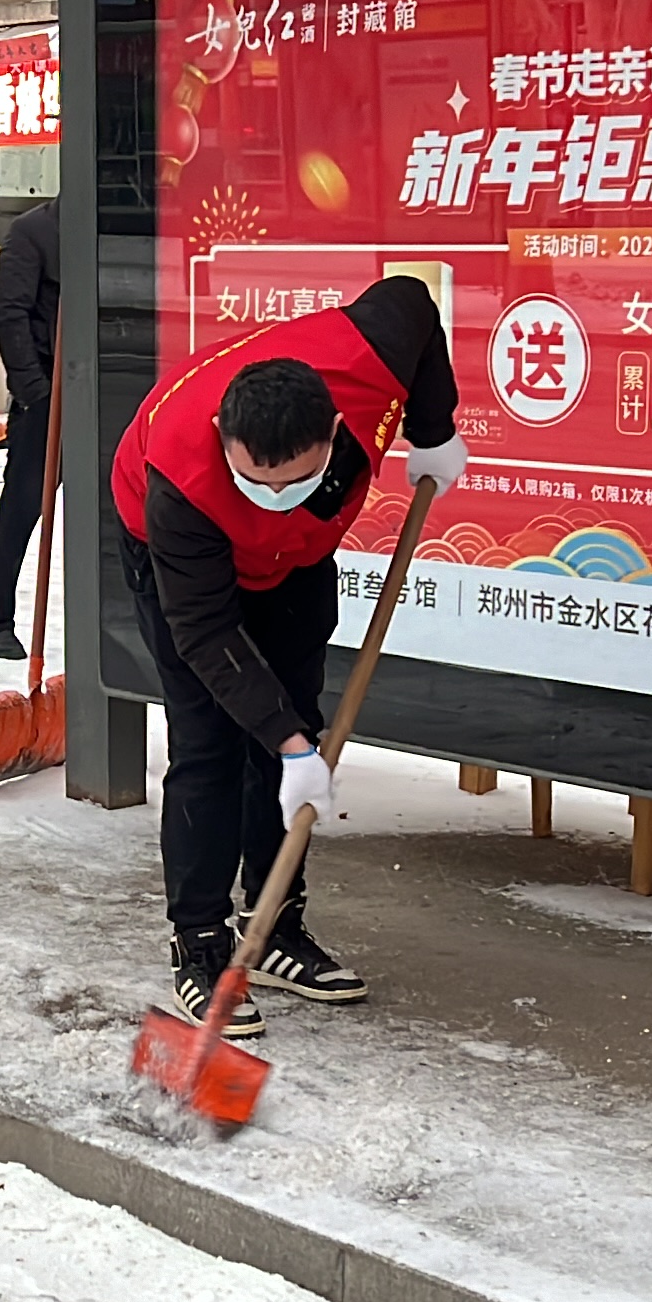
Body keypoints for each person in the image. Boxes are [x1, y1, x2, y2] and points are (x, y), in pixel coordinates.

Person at [110, 276, 467, 1038]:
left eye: (295, 479)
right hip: (185, 568)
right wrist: (290, 743)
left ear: (336, 432)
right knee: (208, 742)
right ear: (226, 444)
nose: (270, 493)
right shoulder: (181, 479)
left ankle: (272, 925)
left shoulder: (369, 357)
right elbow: (206, 635)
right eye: (254, 479)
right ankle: (201, 943)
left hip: (297, 565)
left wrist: (434, 428)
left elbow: (413, 298)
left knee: (292, 720)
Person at [0, 198, 59, 661]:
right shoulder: (35, 231)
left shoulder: (115, 228)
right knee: (23, 507)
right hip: (48, 394)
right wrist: (36, 390)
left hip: (105, 392)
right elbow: (8, 312)